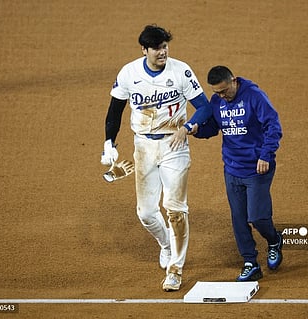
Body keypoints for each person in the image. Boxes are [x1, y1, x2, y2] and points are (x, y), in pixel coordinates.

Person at [100, 24, 211, 291]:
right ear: (144, 50)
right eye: (157, 48)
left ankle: (176, 268)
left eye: (165, 47)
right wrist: (109, 143)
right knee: (147, 213)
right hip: (144, 148)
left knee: (175, 209)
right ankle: (165, 245)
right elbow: (115, 110)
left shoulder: (180, 70)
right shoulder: (129, 73)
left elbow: (204, 106)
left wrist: (186, 128)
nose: (163, 52)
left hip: (175, 145)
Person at [194, 66, 283, 281]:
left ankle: (273, 240)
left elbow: (273, 126)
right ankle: (250, 262)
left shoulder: (254, 96)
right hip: (232, 168)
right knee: (239, 219)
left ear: (234, 80)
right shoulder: (217, 101)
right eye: (217, 93)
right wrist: (198, 130)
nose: (222, 96)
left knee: (258, 217)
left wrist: (265, 155)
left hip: (257, 167)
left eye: (225, 91)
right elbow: (214, 128)